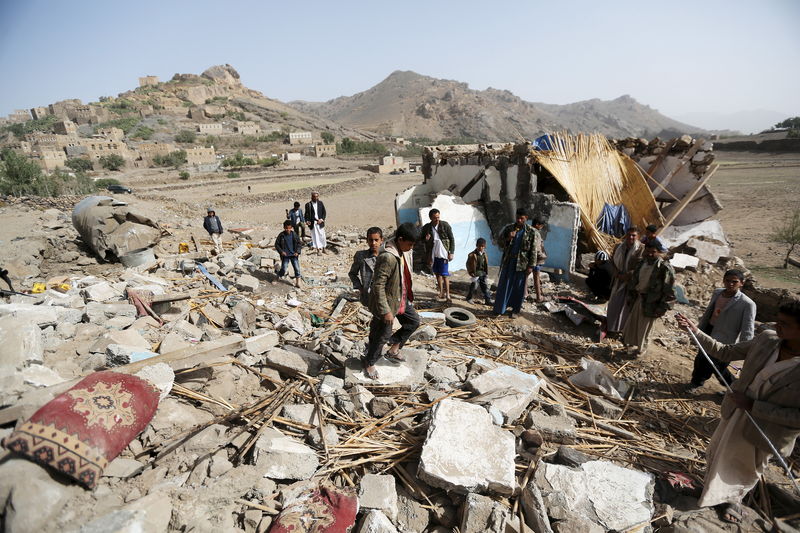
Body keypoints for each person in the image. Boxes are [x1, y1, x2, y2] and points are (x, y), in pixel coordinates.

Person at [676, 299, 800, 524]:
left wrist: (755, 407)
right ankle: (708, 492)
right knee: (719, 452)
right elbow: (725, 352)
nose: (777, 326)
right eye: (777, 321)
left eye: (785, 324)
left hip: (767, 429)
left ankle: (733, 499)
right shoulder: (767, 340)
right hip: (736, 412)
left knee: (744, 466)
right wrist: (695, 331)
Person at [363, 223, 420, 380]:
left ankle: (393, 349)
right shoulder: (387, 257)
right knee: (382, 334)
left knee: (413, 321)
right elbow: (378, 285)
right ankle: (369, 362)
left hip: (400, 298)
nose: (411, 247)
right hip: (388, 303)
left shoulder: (402, 250)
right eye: (410, 244)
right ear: (400, 239)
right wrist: (385, 311)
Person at [688, 269, 756, 392]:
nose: (730, 284)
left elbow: (748, 328)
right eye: (727, 281)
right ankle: (696, 382)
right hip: (709, 330)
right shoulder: (718, 293)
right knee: (701, 358)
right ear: (723, 280)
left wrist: (746, 348)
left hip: (726, 338)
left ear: (741, 283)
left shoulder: (747, 303)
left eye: (734, 282)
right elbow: (709, 312)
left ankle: (733, 387)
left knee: (718, 365)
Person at [621, 241, 675, 355]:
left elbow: (670, 291)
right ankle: (631, 346)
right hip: (638, 299)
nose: (650, 254)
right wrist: (631, 296)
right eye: (648, 251)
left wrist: (662, 308)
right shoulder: (642, 263)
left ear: (659, 253)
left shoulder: (664, 268)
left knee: (645, 328)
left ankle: (641, 350)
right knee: (633, 324)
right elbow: (634, 280)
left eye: (653, 252)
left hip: (652, 303)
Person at [493, 209, 543, 317]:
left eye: (522, 218)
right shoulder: (509, 228)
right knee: (504, 285)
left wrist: (531, 266)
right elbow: (499, 243)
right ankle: (500, 309)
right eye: (518, 218)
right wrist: (508, 238)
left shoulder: (531, 232)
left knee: (519, 287)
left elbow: (533, 250)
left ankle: (515, 310)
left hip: (522, 264)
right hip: (509, 261)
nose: (519, 220)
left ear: (526, 219)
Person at [606, 226, 643, 337]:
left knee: (625, 307)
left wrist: (628, 275)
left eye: (633, 235)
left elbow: (640, 267)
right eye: (629, 234)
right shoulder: (619, 246)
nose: (630, 237)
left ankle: (621, 331)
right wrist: (617, 273)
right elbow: (612, 261)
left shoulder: (641, 249)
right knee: (614, 304)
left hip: (630, 283)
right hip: (618, 280)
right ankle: (611, 328)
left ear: (638, 237)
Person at [421, 209, 455, 302]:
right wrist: (426, 239)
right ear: (430, 218)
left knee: (445, 274)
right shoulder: (427, 228)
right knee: (437, 273)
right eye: (435, 218)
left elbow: (452, 239)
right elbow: (421, 239)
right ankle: (441, 293)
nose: (437, 219)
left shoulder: (445, 225)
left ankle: (448, 294)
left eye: (438, 217)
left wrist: (451, 252)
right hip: (433, 252)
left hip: (443, 252)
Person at [349, 227, 383, 306]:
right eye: (371, 240)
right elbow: (352, 274)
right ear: (367, 241)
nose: (373, 243)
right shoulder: (361, 256)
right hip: (368, 297)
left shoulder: (387, 256)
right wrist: (360, 288)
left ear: (382, 240)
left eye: (376, 240)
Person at [274, 220, 302, 287]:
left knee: (297, 268)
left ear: (291, 227)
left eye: (289, 228)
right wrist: (281, 252)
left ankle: (298, 281)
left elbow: (299, 243)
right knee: (284, 268)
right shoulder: (281, 235)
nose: (288, 230)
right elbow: (276, 245)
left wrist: (297, 252)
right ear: (284, 227)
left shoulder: (294, 235)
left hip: (293, 255)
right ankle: (278, 276)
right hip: (285, 255)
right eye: (286, 228)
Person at [466, 238, 493, 305]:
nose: (481, 248)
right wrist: (470, 272)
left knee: (485, 288)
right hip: (476, 274)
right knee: (473, 287)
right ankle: (469, 298)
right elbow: (468, 264)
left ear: (485, 246)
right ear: (476, 245)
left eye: (482, 246)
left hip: (483, 274)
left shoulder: (484, 254)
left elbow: (485, 265)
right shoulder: (472, 255)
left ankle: (488, 300)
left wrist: (486, 273)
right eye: (480, 246)